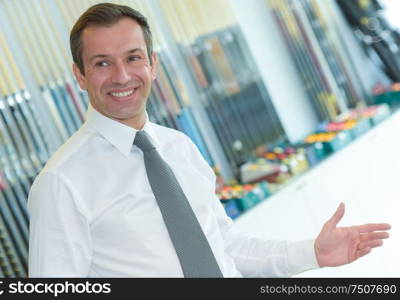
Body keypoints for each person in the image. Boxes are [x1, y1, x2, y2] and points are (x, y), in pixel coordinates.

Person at [27, 3, 390, 277]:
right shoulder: (61, 182)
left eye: (133, 58)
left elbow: (225, 246)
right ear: (80, 75)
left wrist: (312, 253)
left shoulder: (178, 148)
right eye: (102, 63)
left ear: (152, 64)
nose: (122, 76)